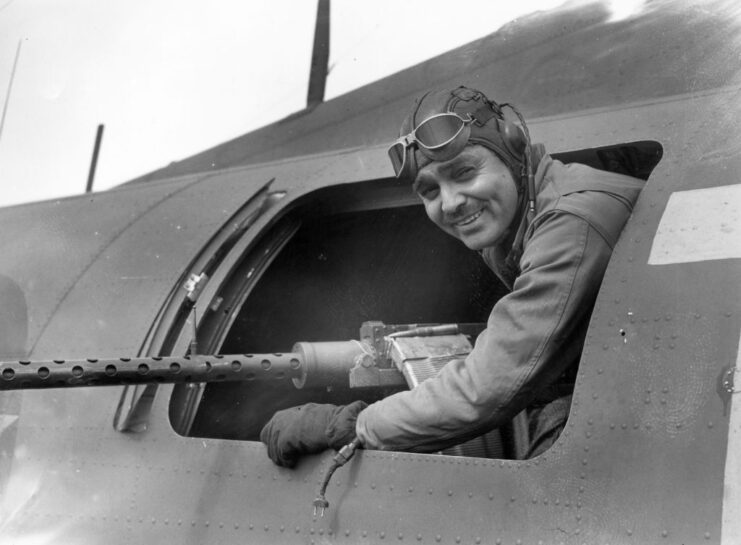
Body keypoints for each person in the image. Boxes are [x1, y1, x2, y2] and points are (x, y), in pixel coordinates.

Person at [260, 85, 644, 468]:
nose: (451, 202)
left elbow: (487, 387)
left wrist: (348, 425)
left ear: (514, 151)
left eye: (464, 173)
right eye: (430, 191)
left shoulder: (569, 223)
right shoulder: (517, 218)